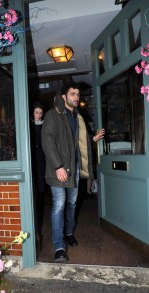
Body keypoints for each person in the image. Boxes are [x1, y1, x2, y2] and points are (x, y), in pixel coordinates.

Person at [41, 82, 104, 262]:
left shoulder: (77, 117)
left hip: (74, 168)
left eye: (78, 94)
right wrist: (58, 166)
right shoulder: (53, 115)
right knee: (59, 205)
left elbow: (75, 143)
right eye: (73, 94)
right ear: (63, 97)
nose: (77, 97)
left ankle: (69, 233)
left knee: (72, 203)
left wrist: (92, 138)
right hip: (58, 169)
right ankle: (59, 246)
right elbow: (47, 142)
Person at [30, 102, 46, 252]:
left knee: (40, 191)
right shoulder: (28, 125)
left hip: (41, 161)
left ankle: (39, 222)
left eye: (40, 113)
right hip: (31, 162)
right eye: (36, 112)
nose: (38, 115)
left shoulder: (44, 125)